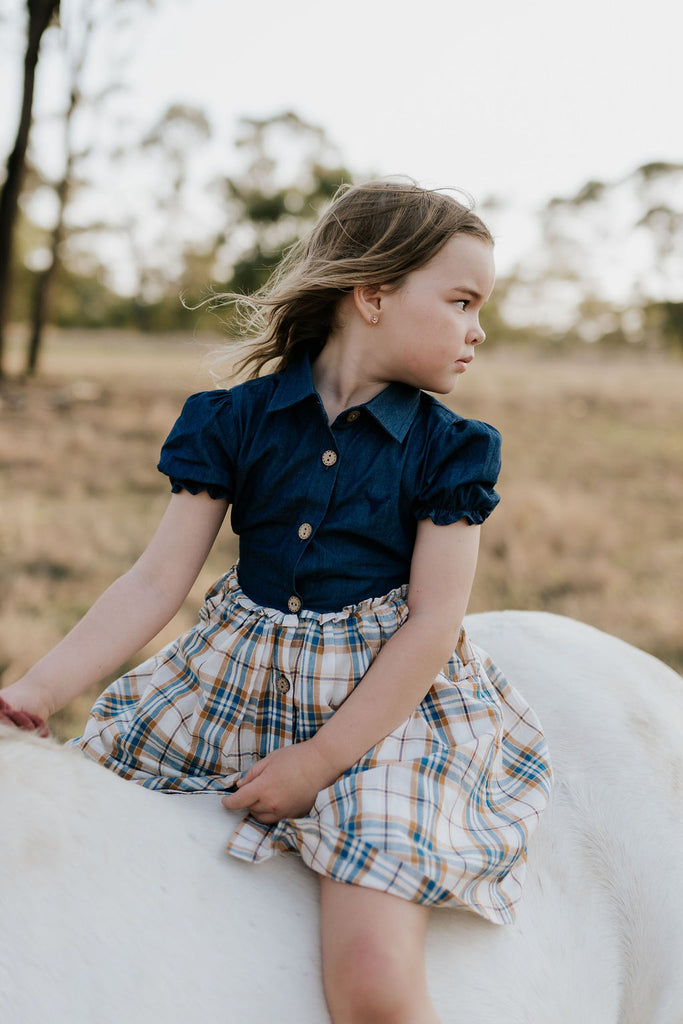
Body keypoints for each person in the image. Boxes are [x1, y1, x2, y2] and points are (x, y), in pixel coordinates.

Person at [2, 180, 552, 1023]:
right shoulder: (233, 421)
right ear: (371, 295)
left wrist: (318, 762)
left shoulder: (453, 452)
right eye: (461, 301)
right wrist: (34, 692)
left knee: (370, 975)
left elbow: (434, 625)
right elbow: (156, 581)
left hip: (380, 719)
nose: (478, 330)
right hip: (225, 684)